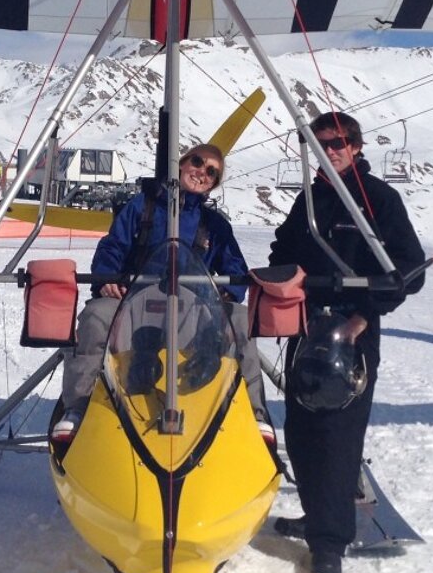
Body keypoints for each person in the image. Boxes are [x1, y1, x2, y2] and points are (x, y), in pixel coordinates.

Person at [268, 111, 425, 573]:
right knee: (301, 430)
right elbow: (284, 249)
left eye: (338, 142)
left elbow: (409, 268)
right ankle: (318, 516)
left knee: (337, 434)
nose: (331, 150)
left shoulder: (378, 199)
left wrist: (363, 316)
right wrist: (284, 279)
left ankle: (329, 541)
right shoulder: (312, 200)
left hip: (353, 329)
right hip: (307, 326)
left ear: (355, 146)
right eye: (321, 145)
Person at [52, 143, 271, 443]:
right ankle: (78, 408)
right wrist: (107, 280)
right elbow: (112, 247)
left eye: (211, 173)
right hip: (135, 306)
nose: (201, 173)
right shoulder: (143, 207)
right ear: (180, 163)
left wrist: (229, 294)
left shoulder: (214, 225)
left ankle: (255, 415)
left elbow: (235, 266)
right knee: (95, 317)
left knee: (242, 321)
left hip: (192, 311)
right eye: (197, 162)